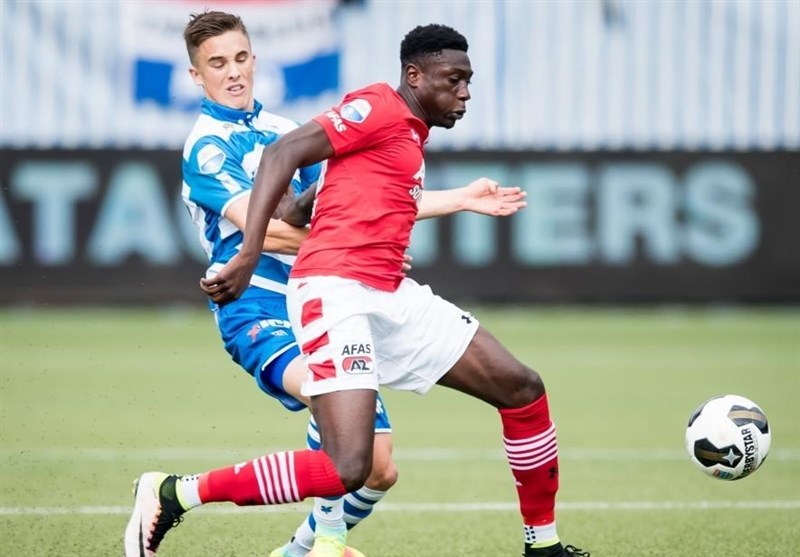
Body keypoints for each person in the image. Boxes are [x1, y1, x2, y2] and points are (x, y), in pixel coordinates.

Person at [124, 13, 529, 557]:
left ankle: (297, 552)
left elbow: (357, 202)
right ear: (197, 76)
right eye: (217, 64)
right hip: (257, 306)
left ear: (254, 60)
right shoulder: (206, 147)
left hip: (325, 297)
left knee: (378, 469)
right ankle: (305, 535)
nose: (234, 72)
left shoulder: (284, 128)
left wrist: (458, 199)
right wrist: (359, 241)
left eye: (240, 58)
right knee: (327, 405)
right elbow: (266, 231)